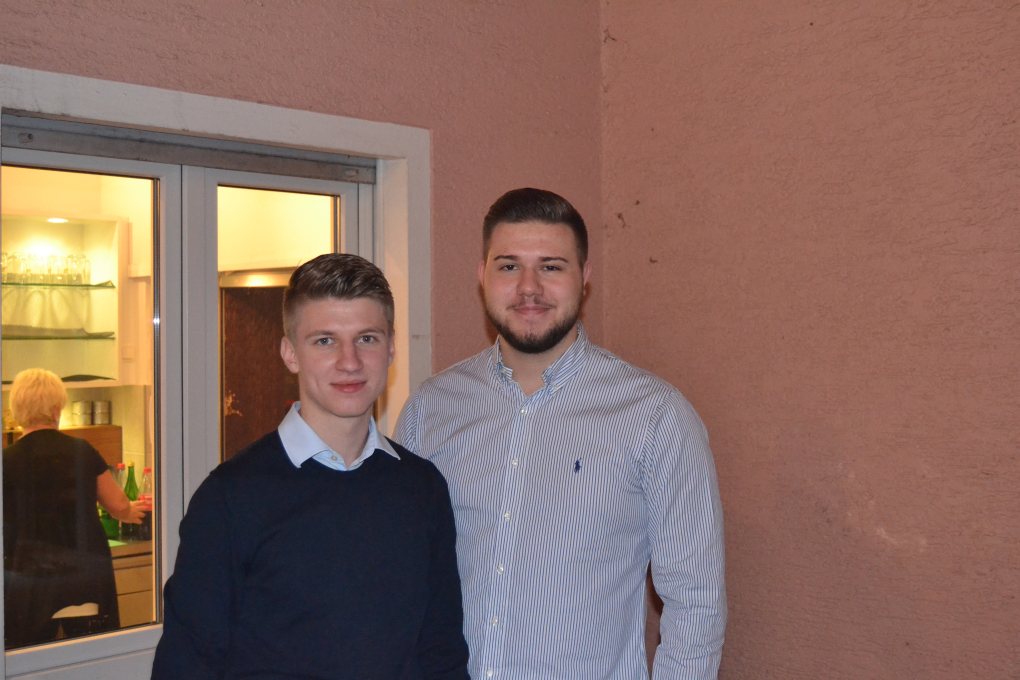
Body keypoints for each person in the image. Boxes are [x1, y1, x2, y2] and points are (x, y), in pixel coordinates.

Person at [396, 188, 727, 679]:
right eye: (509, 266)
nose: (528, 287)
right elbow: (400, 581)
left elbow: (696, 602)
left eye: (551, 266)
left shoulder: (655, 417)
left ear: (585, 277)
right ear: (482, 275)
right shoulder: (430, 410)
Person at [151, 253, 469, 679]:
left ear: (391, 348)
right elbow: (185, 665)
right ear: (290, 353)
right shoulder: (230, 498)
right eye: (324, 341)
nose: (349, 361)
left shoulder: (422, 487)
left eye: (367, 338)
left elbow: (442, 653)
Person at [3, 368, 148, 647]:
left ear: (18, 410)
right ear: (56, 409)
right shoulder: (82, 450)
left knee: (32, 659)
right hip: (83, 581)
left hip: (30, 587)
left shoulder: (6, 461)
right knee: (91, 653)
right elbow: (118, 505)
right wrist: (132, 511)